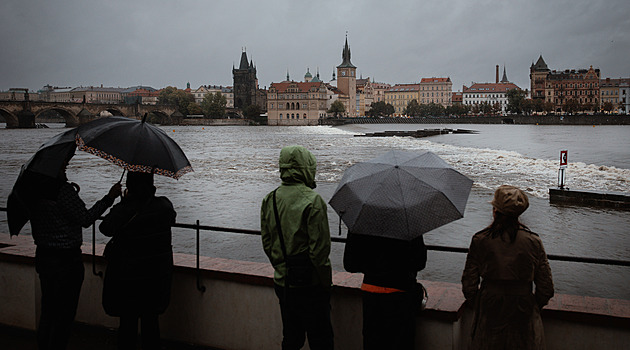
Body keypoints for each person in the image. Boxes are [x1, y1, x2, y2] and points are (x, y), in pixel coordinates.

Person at [27, 153, 122, 350]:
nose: (66, 167)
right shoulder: (62, 191)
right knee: (64, 313)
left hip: (44, 257)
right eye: (63, 165)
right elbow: (86, 219)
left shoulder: (34, 191)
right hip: (66, 262)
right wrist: (109, 198)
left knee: (48, 310)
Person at [461, 185, 554, 350]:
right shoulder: (533, 241)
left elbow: (469, 284)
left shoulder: (480, 240)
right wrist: (531, 305)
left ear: (495, 211)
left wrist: (482, 304)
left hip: (490, 309)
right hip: (524, 311)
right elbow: (546, 288)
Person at [260, 145, 334, 350]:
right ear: (307, 168)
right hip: (310, 285)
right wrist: (326, 283)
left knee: (291, 338)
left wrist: (281, 267)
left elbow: (267, 241)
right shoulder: (313, 200)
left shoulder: (270, 199)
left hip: (283, 283)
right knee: (321, 340)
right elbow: (320, 252)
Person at [99, 171, 176, 350]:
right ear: (152, 187)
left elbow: (105, 227)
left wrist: (122, 201)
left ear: (129, 187)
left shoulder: (124, 209)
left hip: (128, 279)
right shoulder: (164, 206)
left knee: (127, 324)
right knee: (151, 324)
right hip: (155, 278)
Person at [344, 233, 427, 350]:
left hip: (371, 293)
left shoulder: (361, 224)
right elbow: (419, 262)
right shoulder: (408, 224)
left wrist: (373, 266)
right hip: (400, 294)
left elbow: (350, 264)